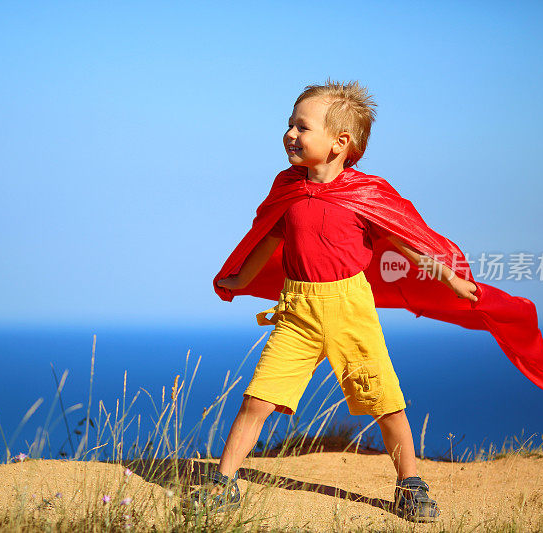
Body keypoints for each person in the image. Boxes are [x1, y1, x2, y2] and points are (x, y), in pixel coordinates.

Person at [190, 80, 481, 522]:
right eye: (289, 124)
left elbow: (407, 243)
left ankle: (410, 484)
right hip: (297, 312)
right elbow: (267, 239)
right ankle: (225, 483)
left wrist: (451, 280)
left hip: (351, 310)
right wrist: (239, 278)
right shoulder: (287, 189)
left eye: (301, 127)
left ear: (339, 143)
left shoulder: (365, 194)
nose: (290, 133)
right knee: (258, 398)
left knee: (385, 400)